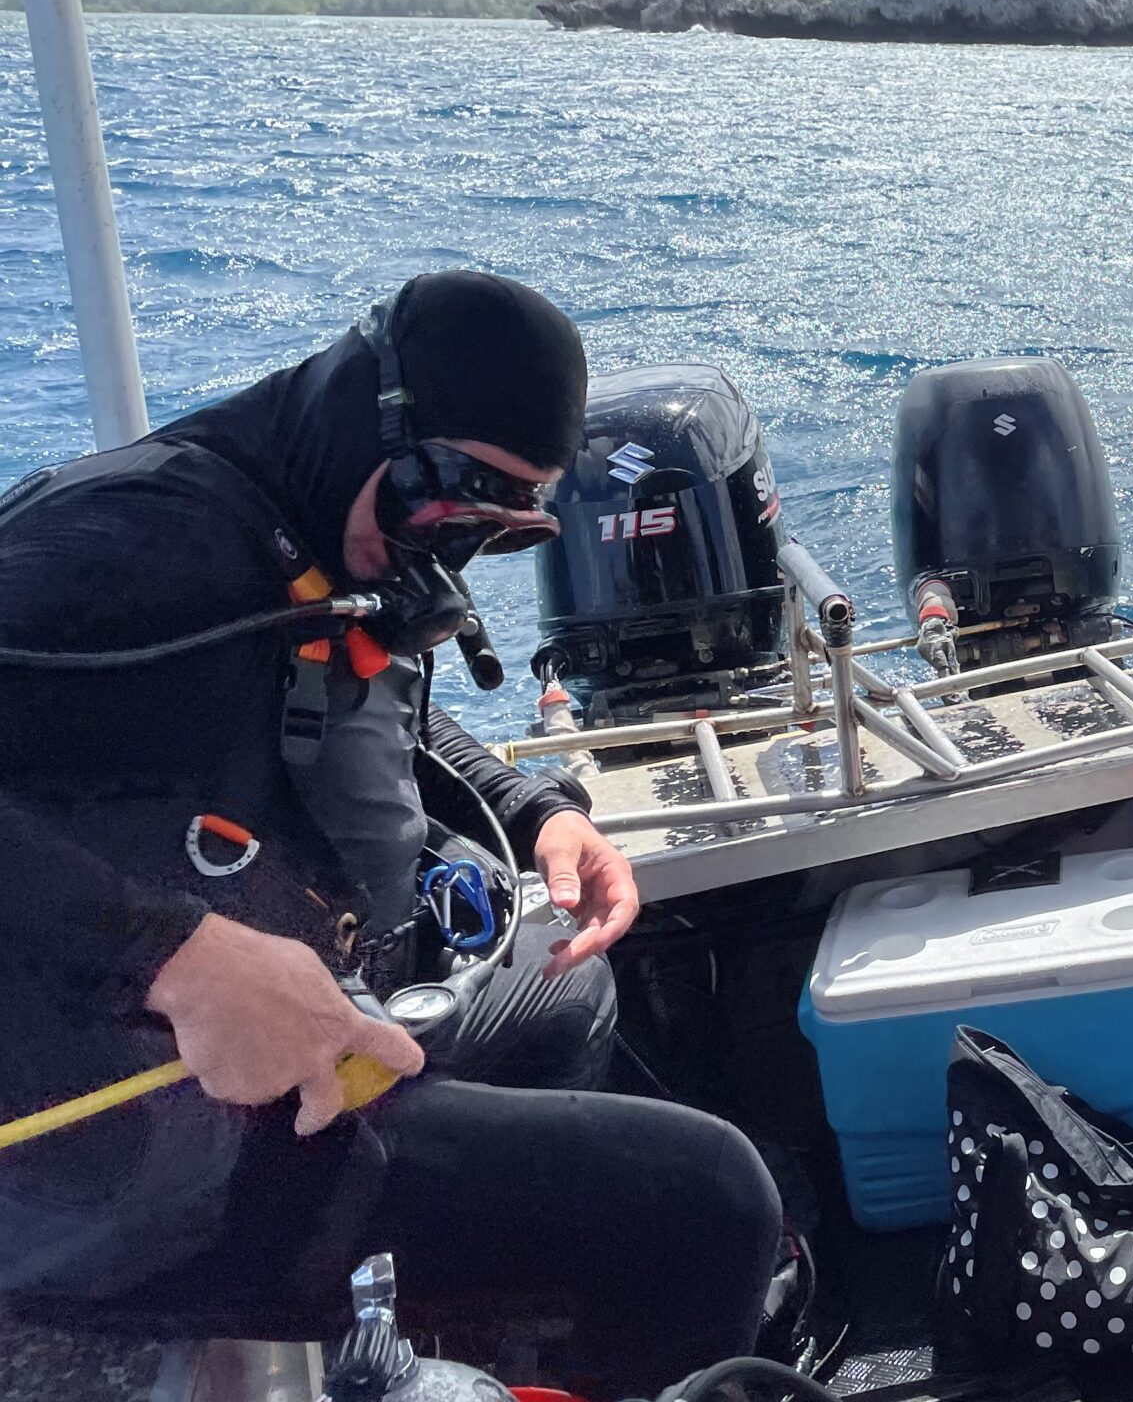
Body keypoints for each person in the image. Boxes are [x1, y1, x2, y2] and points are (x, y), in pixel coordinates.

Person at [0, 272, 784, 1398]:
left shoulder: (317, 524)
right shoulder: (137, 541)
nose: (456, 546)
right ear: (375, 411)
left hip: (325, 1026)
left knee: (569, 988)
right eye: (457, 494)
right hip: (121, 1167)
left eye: (501, 528)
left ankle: (461, 1349)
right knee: (710, 1197)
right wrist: (168, 953)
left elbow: (378, 693)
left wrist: (535, 810)